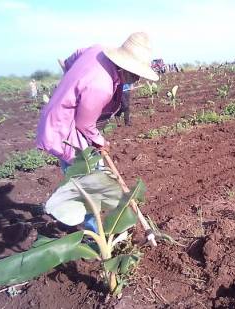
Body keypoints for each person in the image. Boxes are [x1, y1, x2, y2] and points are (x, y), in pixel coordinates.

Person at [36, 32, 159, 231]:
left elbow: (72, 58)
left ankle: (104, 223)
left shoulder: (97, 51)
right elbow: (84, 125)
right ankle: (94, 233)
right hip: (64, 130)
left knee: (94, 177)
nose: (136, 79)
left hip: (66, 120)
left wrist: (72, 81)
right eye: (135, 75)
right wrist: (101, 142)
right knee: (89, 181)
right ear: (124, 67)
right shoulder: (101, 86)